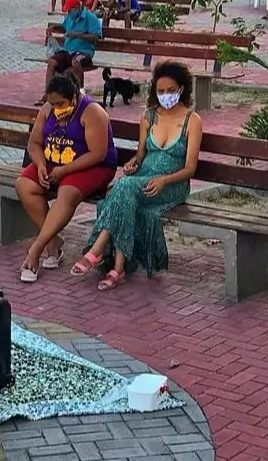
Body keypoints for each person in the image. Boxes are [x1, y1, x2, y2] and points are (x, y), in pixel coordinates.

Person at [72, 61, 201, 290]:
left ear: (182, 89)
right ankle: (117, 269)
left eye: (171, 90)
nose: (166, 95)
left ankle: (96, 250)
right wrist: (133, 163)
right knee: (124, 194)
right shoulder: (149, 116)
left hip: (172, 184)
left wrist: (164, 180)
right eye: (161, 91)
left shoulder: (192, 120)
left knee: (123, 189)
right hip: (143, 180)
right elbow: (140, 155)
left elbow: (190, 168)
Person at [16, 72, 117, 282]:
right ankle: (53, 242)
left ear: (73, 98)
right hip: (55, 161)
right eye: (52, 104)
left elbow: (98, 153)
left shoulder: (92, 112)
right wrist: (41, 164)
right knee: (24, 185)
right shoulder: (48, 109)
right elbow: (34, 143)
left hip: (92, 166)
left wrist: (64, 171)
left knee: (67, 192)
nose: (56, 109)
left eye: (60, 103)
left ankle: (36, 249)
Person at [45, 0, 101, 92]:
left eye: (70, 10)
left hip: (84, 52)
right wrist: (54, 27)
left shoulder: (91, 18)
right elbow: (64, 27)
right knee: (52, 62)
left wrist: (77, 35)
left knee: (75, 62)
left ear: (78, 7)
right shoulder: (70, 17)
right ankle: (48, 92)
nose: (69, 12)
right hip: (68, 51)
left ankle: (80, 91)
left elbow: (96, 37)